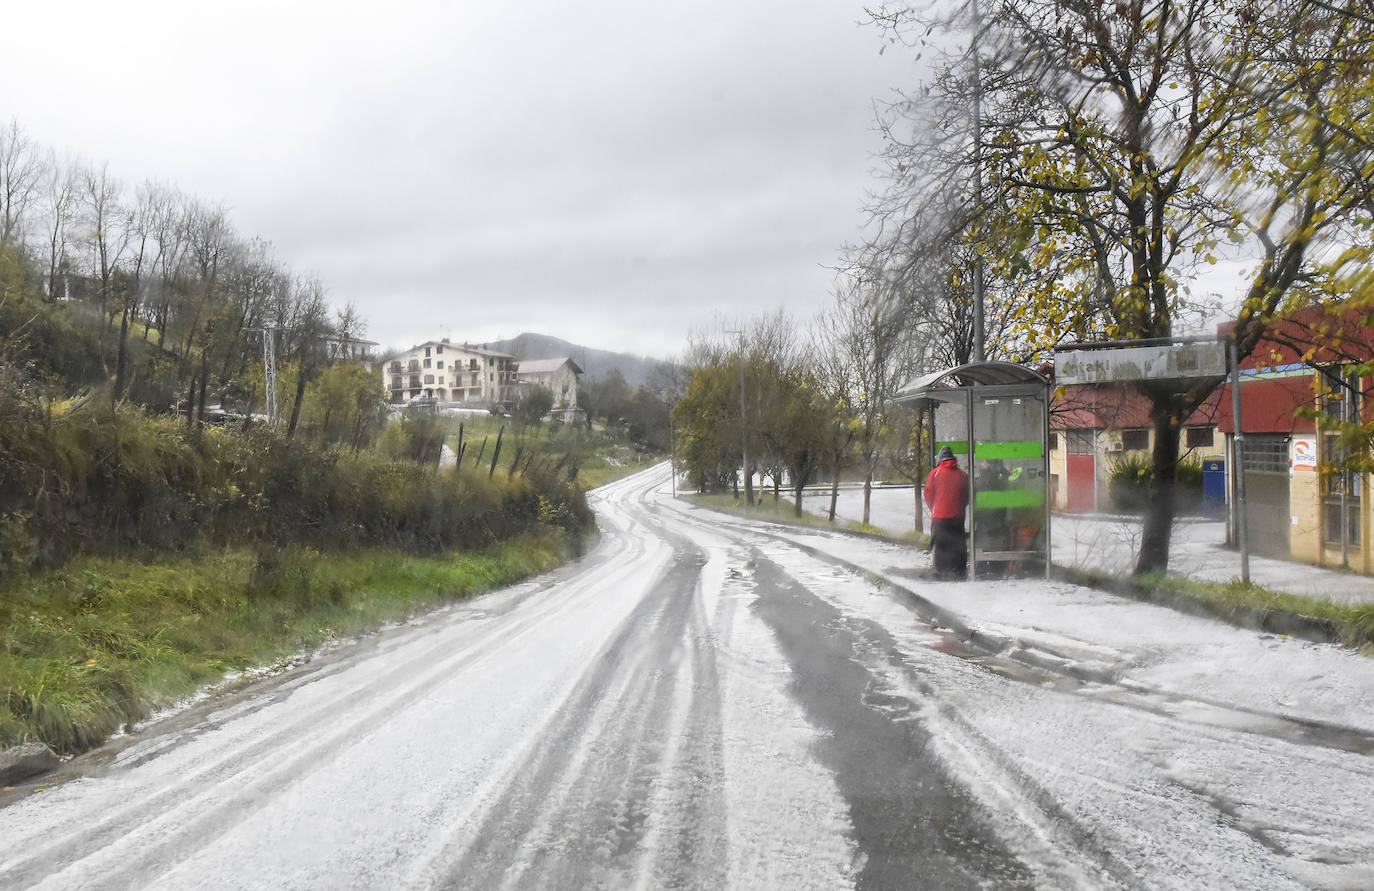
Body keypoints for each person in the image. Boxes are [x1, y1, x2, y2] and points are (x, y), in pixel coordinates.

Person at [924, 445, 969, 579]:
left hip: (939, 517)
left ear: (940, 459)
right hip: (957, 516)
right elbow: (967, 494)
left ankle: (941, 571)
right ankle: (959, 571)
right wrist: (960, 507)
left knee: (941, 544)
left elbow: (928, 493)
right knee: (958, 544)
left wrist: (934, 508)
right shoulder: (962, 474)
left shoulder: (934, 473)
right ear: (953, 458)